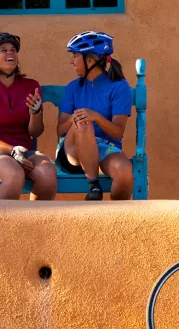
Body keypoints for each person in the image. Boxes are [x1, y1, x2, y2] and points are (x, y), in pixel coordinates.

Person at [0, 32, 57, 200]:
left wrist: (35, 113)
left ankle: (36, 223)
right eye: (3, 50)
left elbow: (36, 131)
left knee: (48, 173)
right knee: (14, 175)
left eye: (13, 50)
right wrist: (11, 150)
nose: (10, 53)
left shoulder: (31, 86)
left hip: (24, 150)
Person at [56, 31, 134, 201]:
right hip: (72, 151)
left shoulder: (119, 87)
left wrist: (97, 117)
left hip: (105, 148)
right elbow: (60, 130)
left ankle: (118, 220)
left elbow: (117, 132)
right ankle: (93, 185)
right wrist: (74, 118)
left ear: (90, 60)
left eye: (75, 56)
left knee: (125, 172)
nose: (72, 61)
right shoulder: (73, 87)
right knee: (83, 123)